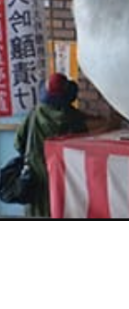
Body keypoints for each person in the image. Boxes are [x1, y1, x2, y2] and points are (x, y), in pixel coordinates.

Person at [13, 73, 88, 217]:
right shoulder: (74, 118)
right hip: (65, 179)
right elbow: (84, 148)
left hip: (35, 178)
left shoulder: (35, 114)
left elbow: (18, 143)